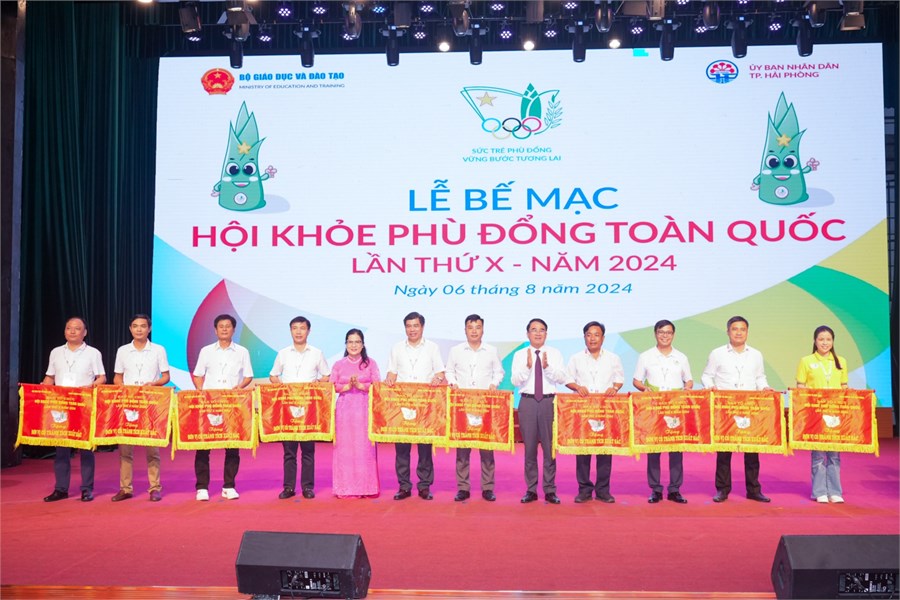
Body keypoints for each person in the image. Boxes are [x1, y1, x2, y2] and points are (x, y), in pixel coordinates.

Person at [701, 316, 772, 503]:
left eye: (742, 329)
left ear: (747, 332)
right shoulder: (717, 353)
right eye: (735, 329)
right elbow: (706, 376)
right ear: (728, 331)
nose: (738, 332)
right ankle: (722, 490)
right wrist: (711, 387)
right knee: (724, 451)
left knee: (752, 450)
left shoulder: (756, 354)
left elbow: (760, 377)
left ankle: (754, 490)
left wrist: (765, 387)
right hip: (726, 409)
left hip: (750, 408)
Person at [42, 317, 106, 502]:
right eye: (69, 328)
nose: (72, 331)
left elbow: (102, 378)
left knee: (85, 449)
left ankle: (87, 489)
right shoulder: (55, 352)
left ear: (84, 332)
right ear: (64, 331)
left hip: (83, 406)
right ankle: (60, 489)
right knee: (61, 450)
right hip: (61, 406)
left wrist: (91, 386)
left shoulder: (93, 353)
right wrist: (42, 388)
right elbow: (50, 377)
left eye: (77, 328)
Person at [191, 313, 253, 501]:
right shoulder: (206, 351)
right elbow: (198, 374)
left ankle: (229, 486)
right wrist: (201, 391)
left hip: (232, 404)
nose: (224, 329)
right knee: (203, 446)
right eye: (221, 326)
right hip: (209, 404)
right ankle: (202, 487)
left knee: (232, 446)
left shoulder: (242, 351)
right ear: (215, 330)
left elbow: (248, 376)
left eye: (228, 326)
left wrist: (239, 387)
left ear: (233, 329)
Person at [385, 311, 445, 500]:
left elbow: (440, 372)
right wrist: (389, 379)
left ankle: (424, 486)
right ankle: (404, 486)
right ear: (405, 328)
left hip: (424, 405)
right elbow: (392, 373)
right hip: (402, 405)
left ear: (422, 327)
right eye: (409, 326)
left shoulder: (432, 348)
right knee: (402, 448)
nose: (412, 329)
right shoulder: (396, 348)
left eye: (415, 326)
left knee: (424, 448)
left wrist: (438, 378)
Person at [444, 314, 505, 502]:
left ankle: (488, 488)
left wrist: (494, 383)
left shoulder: (491, 350)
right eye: (470, 327)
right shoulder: (456, 351)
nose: (474, 331)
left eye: (477, 327)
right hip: (462, 405)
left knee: (486, 448)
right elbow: (449, 371)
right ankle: (463, 488)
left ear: (482, 330)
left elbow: (499, 372)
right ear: (465, 330)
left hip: (484, 405)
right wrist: (453, 383)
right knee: (463, 449)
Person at [632, 319, 693, 504]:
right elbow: (636, 380)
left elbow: (689, 380)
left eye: (668, 332)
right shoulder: (646, 356)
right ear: (655, 334)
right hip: (654, 407)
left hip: (675, 406)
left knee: (676, 449)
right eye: (661, 332)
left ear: (673, 335)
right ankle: (655, 489)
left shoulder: (681, 357)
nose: (665, 336)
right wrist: (644, 388)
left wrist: (688, 388)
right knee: (654, 448)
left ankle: (675, 489)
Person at [111, 313, 171, 503]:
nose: (139, 329)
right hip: (128, 404)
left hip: (149, 403)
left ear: (149, 329)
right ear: (130, 329)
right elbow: (117, 377)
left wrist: (154, 384)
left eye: (143, 326)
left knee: (152, 450)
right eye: (135, 326)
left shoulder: (158, 350)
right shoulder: (122, 350)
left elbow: (166, 376)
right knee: (125, 450)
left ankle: (155, 488)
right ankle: (125, 488)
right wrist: (123, 388)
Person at [269, 316, 330, 500]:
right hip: (288, 410)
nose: (298, 331)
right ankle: (288, 487)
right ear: (290, 331)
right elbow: (273, 376)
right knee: (289, 452)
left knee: (308, 451)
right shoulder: (283, 353)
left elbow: (326, 376)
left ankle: (307, 487)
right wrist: (281, 387)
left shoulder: (317, 353)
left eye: (302, 328)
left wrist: (316, 384)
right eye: (295, 328)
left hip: (308, 410)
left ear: (308, 331)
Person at [510, 318, 569, 504]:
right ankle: (531, 490)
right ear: (527, 333)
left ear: (546, 334)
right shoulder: (520, 354)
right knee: (529, 449)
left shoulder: (555, 353)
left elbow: (562, 378)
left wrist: (547, 367)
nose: (537, 333)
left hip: (548, 402)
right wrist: (528, 367)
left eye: (541, 330)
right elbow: (515, 381)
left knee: (549, 449)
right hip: (527, 403)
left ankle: (550, 490)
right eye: (534, 330)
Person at [565, 321, 624, 504]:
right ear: (584, 337)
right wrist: (577, 387)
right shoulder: (576, 358)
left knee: (604, 450)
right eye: (589, 335)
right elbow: (567, 378)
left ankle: (603, 490)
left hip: (605, 410)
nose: (592, 338)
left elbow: (619, 378)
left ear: (603, 338)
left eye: (596, 335)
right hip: (583, 410)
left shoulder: (613, 358)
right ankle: (584, 490)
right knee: (583, 450)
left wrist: (615, 388)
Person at [796, 325, 848, 504]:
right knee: (818, 455)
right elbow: (801, 387)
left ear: (833, 341)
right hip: (815, 414)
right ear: (815, 341)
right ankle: (819, 492)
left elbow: (844, 387)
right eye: (821, 339)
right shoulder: (806, 361)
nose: (825, 343)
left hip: (835, 414)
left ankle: (835, 491)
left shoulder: (841, 361)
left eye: (828, 339)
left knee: (834, 455)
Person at [331, 328, 381, 498]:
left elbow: (378, 386)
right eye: (350, 342)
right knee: (345, 448)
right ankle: (345, 488)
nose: (354, 345)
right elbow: (331, 386)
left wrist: (362, 386)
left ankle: (366, 488)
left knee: (364, 448)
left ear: (363, 344)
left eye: (357, 342)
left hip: (364, 410)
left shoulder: (371, 363)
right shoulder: (338, 364)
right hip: (344, 411)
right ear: (346, 344)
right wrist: (345, 387)